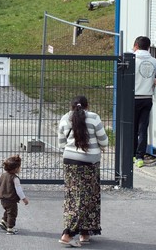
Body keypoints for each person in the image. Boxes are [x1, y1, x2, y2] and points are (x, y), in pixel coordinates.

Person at [57, 95, 109, 246]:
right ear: (88, 105)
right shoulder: (94, 118)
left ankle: (85, 231)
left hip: (70, 162)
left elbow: (61, 144)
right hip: (90, 163)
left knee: (73, 196)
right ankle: (68, 233)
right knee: (88, 197)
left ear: (71, 106)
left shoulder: (65, 118)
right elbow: (104, 141)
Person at [132, 36, 156, 168]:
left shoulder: (132, 59)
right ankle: (140, 157)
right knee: (143, 128)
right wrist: (154, 81)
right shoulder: (154, 61)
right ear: (149, 47)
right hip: (147, 98)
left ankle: (131, 154)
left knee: (132, 128)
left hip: (133, 97)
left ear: (136, 46)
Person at [0, 155, 29, 235]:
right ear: (16, 168)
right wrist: (24, 199)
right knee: (12, 213)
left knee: (8, 211)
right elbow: (19, 190)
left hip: (3, 199)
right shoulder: (15, 178)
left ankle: (4, 221)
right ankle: (10, 228)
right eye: (19, 167)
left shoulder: (2, 175)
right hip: (11, 199)